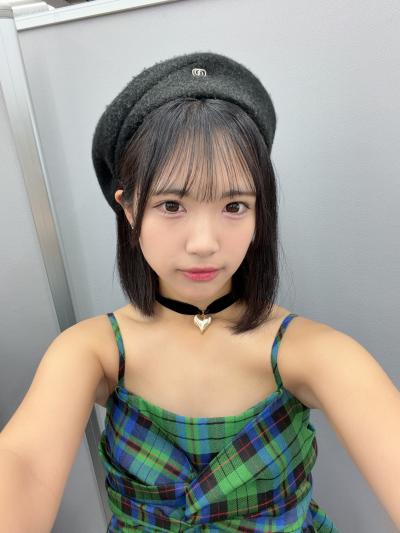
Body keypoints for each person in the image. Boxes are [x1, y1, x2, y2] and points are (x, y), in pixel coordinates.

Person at [1, 52, 399, 532]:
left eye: (234, 206)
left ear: (260, 211)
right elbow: (23, 463)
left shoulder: (314, 352)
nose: (204, 243)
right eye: (172, 205)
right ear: (128, 208)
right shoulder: (90, 351)